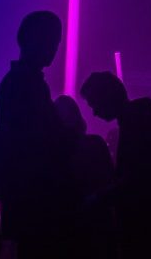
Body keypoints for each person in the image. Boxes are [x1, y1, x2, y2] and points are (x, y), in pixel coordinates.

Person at [0, 11, 78, 258]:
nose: (54, 48)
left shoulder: (20, 82)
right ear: (32, 39)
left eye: (57, 41)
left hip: (28, 203)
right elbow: (37, 145)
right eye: (51, 40)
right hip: (35, 203)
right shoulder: (26, 84)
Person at [80, 71, 151, 259]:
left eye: (94, 104)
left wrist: (97, 198)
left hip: (146, 223)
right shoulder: (142, 119)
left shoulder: (137, 124)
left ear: (106, 97)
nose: (94, 113)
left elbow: (137, 179)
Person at [54, 95, 116, 259]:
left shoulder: (53, 153)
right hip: (96, 224)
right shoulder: (95, 143)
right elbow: (111, 181)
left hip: (73, 226)